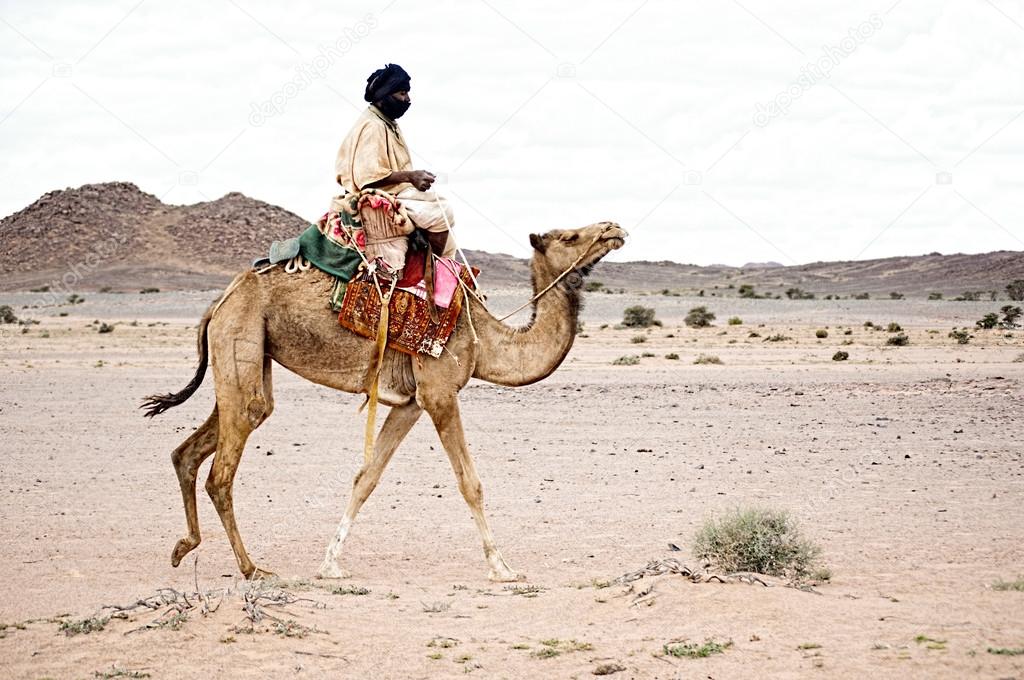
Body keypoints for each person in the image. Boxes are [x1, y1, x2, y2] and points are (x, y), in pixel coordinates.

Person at [333, 63, 456, 268]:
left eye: (407, 93)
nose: (407, 99)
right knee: (441, 211)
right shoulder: (373, 126)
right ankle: (429, 275)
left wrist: (413, 178)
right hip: (376, 194)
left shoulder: (387, 122)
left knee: (447, 234)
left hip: (395, 192)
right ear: (385, 95)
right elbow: (367, 178)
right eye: (402, 93)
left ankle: (442, 278)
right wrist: (410, 177)